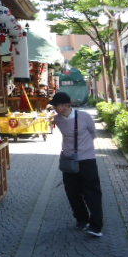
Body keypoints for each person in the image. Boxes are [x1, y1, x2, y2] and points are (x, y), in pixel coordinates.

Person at [51, 91, 103, 237]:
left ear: (67, 105)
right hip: (69, 161)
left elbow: (93, 133)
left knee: (92, 193)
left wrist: (84, 148)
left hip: (87, 160)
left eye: (57, 105)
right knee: (72, 192)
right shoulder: (58, 119)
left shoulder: (85, 116)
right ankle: (82, 219)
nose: (55, 108)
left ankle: (96, 226)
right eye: (54, 106)